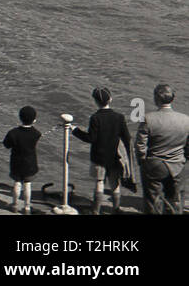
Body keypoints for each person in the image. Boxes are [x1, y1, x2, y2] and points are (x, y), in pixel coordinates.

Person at [71, 87, 132, 215]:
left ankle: (95, 210)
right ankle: (116, 208)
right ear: (110, 99)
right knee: (115, 183)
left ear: (95, 101)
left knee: (99, 182)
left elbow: (90, 138)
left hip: (99, 157)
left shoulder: (95, 118)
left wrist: (75, 130)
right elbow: (127, 137)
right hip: (115, 156)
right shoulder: (119, 117)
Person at [136, 82, 189, 214]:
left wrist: (142, 161)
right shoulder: (185, 120)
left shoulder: (148, 118)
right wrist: (185, 159)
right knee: (175, 200)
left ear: (156, 98)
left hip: (155, 164)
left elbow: (140, 146)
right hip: (178, 164)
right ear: (173, 98)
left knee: (152, 200)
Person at [2, 105, 41, 214]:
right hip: (30, 163)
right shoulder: (36, 133)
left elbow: (7, 145)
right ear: (34, 120)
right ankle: (27, 207)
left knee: (17, 183)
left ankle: (14, 205)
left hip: (16, 163)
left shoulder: (13, 133)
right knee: (27, 184)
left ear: (20, 118)